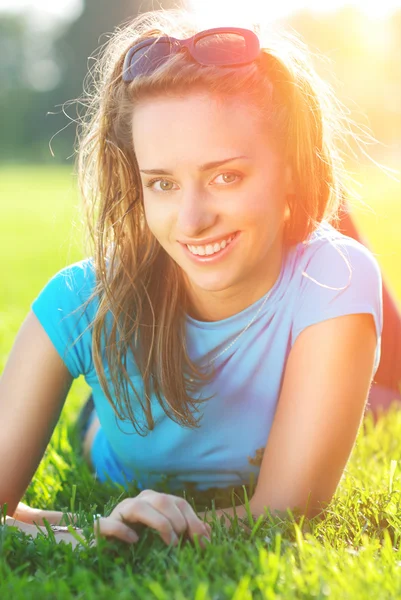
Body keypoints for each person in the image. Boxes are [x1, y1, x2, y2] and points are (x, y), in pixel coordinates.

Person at [0, 8, 392, 548]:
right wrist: (98, 533)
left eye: (225, 176)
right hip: (116, 431)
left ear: (291, 170)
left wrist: (134, 534)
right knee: (104, 414)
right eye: (162, 183)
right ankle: (101, 414)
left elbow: (284, 512)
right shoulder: (80, 299)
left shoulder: (337, 276)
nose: (191, 221)